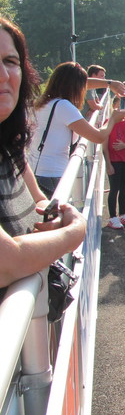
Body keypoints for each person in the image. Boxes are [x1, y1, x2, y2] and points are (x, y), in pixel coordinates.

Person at [0, 16, 86, 289]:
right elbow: (8, 262)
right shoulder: (65, 106)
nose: (3, 75)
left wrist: (54, 219)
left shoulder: (9, 147)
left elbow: (40, 202)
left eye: (10, 61)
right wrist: (75, 230)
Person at [29, 61, 125, 198]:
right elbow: (98, 137)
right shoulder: (64, 106)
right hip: (52, 177)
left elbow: (82, 83)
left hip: (38, 172)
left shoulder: (44, 102)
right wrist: (112, 119)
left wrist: (109, 84)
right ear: (75, 87)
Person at [103, 97, 125, 228]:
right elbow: (104, 146)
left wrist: (124, 145)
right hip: (114, 160)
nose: (123, 108)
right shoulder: (108, 122)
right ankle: (112, 217)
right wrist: (108, 164)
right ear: (114, 106)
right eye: (120, 105)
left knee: (124, 188)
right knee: (114, 188)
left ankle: (123, 214)